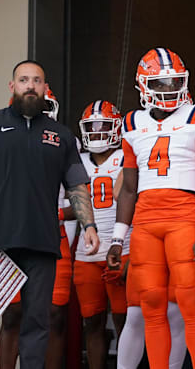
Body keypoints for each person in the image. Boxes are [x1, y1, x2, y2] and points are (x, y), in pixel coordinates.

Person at [0, 60, 100, 369]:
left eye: (37, 81)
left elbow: (77, 186)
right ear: (12, 86)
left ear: (45, 88)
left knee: (37, 325)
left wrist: (90, 225)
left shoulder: (61, 136)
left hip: (41, 246)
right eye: (24, 80)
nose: (30, 85)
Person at [107, 48, 195, 369]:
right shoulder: (131, 122)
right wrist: (118, 239)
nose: (169, 89)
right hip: (144, 223)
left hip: (184, 217)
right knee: (152, 304)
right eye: (161, 83)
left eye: (174, 82)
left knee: (190, 303)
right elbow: (128, 188)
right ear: (143, 85)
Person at [0, 87, 78, 369]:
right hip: (11, 235)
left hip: (52, 234)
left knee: (54, 314)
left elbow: (78, 197)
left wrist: (55, 213)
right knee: (12, 313)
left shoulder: (65, 140)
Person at [72, 100, 132, 368]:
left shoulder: (126, 156)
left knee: (124, 318)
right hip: (86, 253)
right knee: (92, 321)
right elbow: (73, 204)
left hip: (122, 249)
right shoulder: (78, 161)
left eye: (103, 128)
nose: (96, 134)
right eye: (91, 129)